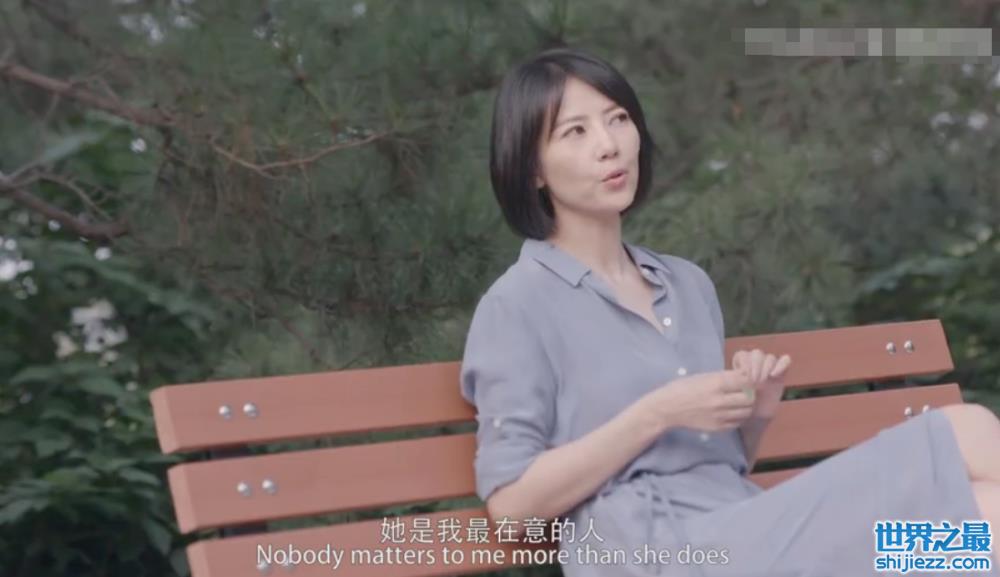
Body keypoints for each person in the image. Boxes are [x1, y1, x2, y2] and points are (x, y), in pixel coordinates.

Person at [459, 46, 1000, 576]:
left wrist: (755, 413)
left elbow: (717, 464)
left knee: (982, 516)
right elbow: (511, 509)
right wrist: (655, 413)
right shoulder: (517, 306)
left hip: (748, 532)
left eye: (617, 119)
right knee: (972, 470)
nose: (609, 145)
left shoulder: (686, 285)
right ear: (532, 169)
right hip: (656, 554)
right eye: (575, 131)